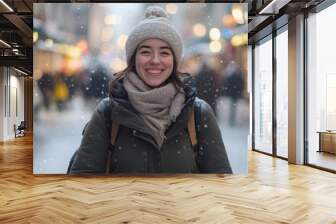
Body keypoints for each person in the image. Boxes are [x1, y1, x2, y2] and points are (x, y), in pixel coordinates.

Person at [68, 6, 231, 174]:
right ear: (133, 59)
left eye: (164, 53)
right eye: (146, 52)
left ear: (174, 61)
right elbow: (82, 184)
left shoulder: (198, 114)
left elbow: (222, 187)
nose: (155, 60)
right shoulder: (108, 113)